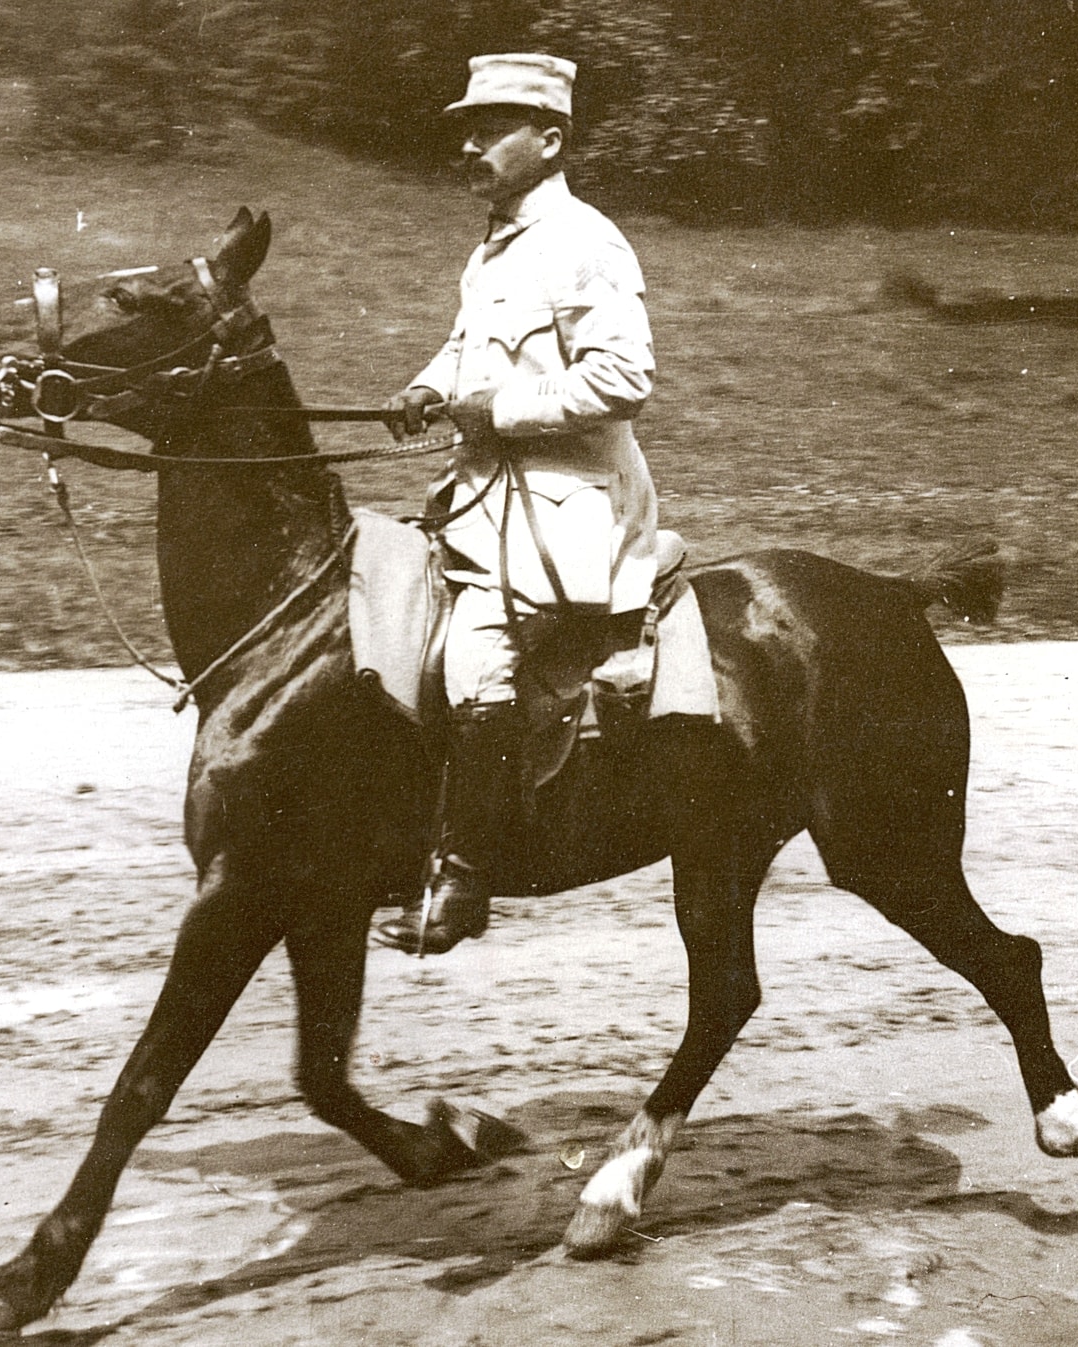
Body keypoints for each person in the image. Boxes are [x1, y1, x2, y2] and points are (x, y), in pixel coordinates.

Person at [377, 52, 659, 955]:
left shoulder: (586, 239)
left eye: (490, 126)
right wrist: (426, 385)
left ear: (549, 137)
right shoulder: (497, 243)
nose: (469, 143)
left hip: (564, 514)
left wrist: (495, 410)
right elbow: (473, 348)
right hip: (482, 504)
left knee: (475, 661)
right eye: (465, 127)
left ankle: (466, 876)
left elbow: (624, 376)